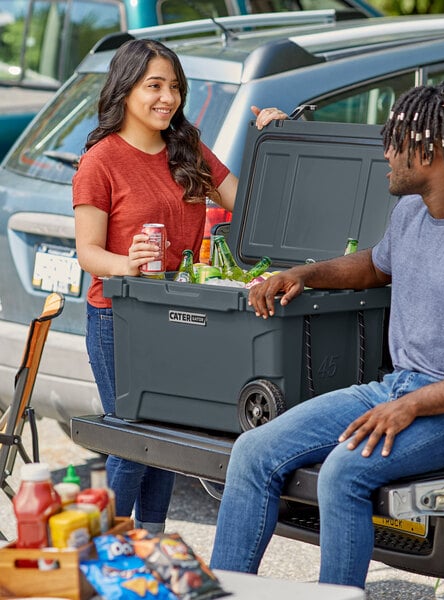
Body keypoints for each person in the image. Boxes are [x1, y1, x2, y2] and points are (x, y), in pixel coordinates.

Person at [209, 82, 444, 587]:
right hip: (399, 388)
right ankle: (225, 593)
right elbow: (374, 266)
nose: (385, 152)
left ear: (428, 152)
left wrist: (412, 406)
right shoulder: (412, 212)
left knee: (345, 471)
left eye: (395, 141)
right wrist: (305, 273)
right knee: (253, 452)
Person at [72, 38, 286, 533]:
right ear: (125, 91)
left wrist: (274, 140)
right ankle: (107, 554)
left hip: (178, 318)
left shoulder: (185, 148)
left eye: (174, 87)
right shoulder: (100, 162)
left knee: (168, 440)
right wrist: (128, 262)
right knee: (130, 440)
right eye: (154, 86)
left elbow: (252, 205)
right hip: (119, 320)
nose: (167, 97)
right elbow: (88, 252)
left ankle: (152, 545)